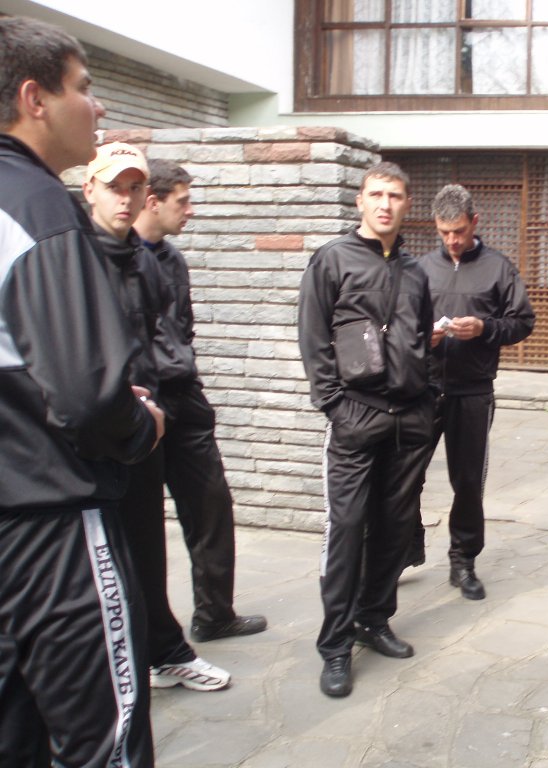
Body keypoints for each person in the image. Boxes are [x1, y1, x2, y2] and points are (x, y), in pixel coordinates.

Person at [0, 17, 163, 765]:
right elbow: (88, 395)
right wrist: (143, 425)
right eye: (85, 88)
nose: (97, 107)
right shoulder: (37, 207)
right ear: (34, 99)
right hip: (53, 526)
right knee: (105, 738)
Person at [82, 142, 231, 693]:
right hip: (107, 423)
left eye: (133, 187)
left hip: (160, 411)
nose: (125, 199)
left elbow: (168, 333)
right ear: (90, 190)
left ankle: (178, 640)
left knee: (170, 527)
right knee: (115, 547)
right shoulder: (76, 258)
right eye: (114, 187)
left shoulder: (150, 261)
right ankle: (135, 654)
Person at [298, 162, 436, 698]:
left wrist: (426, 396)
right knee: (348, 528)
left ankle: (374, 618)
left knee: (396, 527)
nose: (385, 204)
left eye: (395, 196)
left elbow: (421, 335)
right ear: (360, 201)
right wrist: (335, 405)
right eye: (376, 194)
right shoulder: (333, 259)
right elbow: (313, 337)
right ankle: (335, 645)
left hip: (409, 418)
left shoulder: (416, 270)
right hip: (356, 414)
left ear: (406, 204)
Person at [134, 159, 268, 644]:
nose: (190, 210)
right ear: (154, 201)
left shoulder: (173, 260)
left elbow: (183, 327)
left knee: (212, 505)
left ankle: (214, 615)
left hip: (185, 398)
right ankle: (149, 636)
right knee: (143, 525)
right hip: (142, 403)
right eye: (183, 201)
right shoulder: (117, 257)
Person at [410, 184, 535, 599]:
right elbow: (399, 323)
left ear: (474, 222)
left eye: (459, 231)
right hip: (422, 389)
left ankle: (463, 560)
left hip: (473, 391)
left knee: (467, 482)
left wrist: (484, 328)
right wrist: (421, 337)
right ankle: (403, 549)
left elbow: (522, 321)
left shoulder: (498, 268)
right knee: (405, 476)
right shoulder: (419, 269)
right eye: (444, 232)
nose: (452, 240)